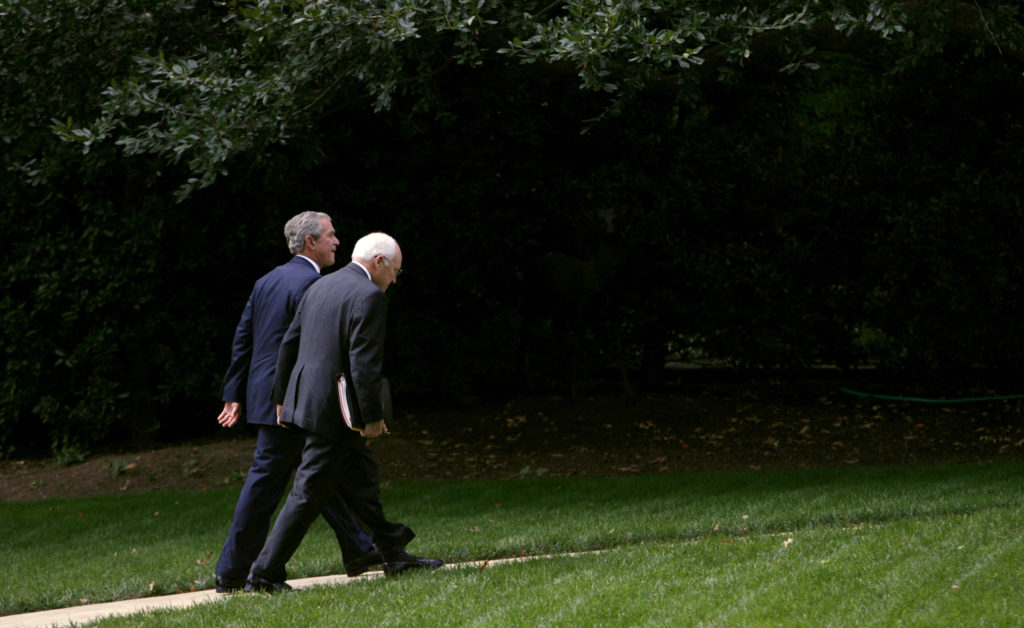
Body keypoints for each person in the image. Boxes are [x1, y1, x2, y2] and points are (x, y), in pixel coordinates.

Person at [246, 232, 443, 592]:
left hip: (309, 403)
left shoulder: (320, 286)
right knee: (307, 493)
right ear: (378, 262)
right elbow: (363, 364)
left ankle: (393, 552)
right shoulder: (368, 296)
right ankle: (262, 574)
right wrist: (370, 416)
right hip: (336, 413)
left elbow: (289, 343)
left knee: (362, 481)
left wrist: (281, 399)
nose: (396, 279)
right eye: (396, 270)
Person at [214, 212, 382, 593]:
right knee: (268, 487)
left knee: (317, 475)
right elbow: (303, 347)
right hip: (289, 402)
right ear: (311, 243)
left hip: (268, 397)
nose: (337, 241)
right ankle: (232, 572)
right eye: (331, 235)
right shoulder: (311, 284)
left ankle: (358, 547)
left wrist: (234, 393)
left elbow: (245, 339)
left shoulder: (266, 281)